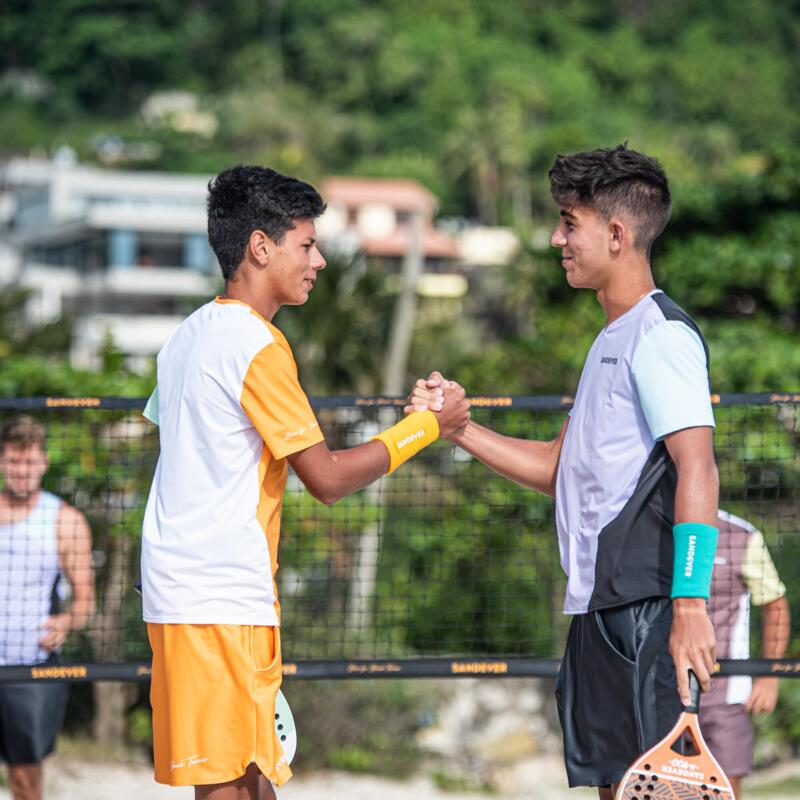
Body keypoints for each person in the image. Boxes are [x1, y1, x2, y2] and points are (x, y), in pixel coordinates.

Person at [140, 165, 469, 800]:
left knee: (253, 780)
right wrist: (426, 427)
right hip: (216, 599)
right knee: (227, 787)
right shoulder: (255, 343)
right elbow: (327, 478)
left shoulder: (186, 337)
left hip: (199, 592)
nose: (318, 260)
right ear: (260, 247)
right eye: (307, 244)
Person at [407, 144, 720, 798]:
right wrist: (458, 429)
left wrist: (690, 602)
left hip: (649, 605)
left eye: (567, 224)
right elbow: (559, 466)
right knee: (615, 788)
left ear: (616, 233)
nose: (556, 239)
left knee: (663, 791)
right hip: (597, 608)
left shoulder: (662, 336)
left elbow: (699, 469)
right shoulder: (610, 338)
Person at [0, 415, 95, 800]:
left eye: (29, 462)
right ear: (2, 461)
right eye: (13, 461)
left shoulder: (65, 520)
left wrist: (68, 620)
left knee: (24, 778)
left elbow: (84, 598)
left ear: (44, 462)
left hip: (31, 665)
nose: (21, 471)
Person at [700, 510, 790, 799]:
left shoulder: (741, 535)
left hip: (724, 693)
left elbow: (775, 602)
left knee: (724, 792)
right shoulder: (646, 525)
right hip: (657, 692)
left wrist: (769, 676)